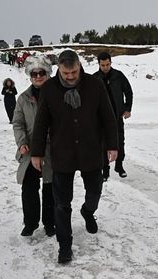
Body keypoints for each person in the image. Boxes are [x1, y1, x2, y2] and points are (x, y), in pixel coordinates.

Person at [31, 49, 118, 264]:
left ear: (79, 66)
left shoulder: (94, 85)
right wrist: (37, 152)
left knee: (95, 192)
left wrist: (113, 146)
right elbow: (41, 123)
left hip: (90, 151)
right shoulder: (49, 89)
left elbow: (108, 117)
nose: (70, 76)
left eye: (74, 72)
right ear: (59, 68)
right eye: (66, 73)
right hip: (62, 154)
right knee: (62, 204)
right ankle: (65, 246)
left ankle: (88, 212)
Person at [12, 56, 55, 237]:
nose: (38, 76)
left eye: (42, 73)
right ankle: (30, 223)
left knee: (51, 189)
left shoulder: (56, 94)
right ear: (30, 76)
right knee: (29, 188)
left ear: (47, 74)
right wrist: (22, 143)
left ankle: (50, 223)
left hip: (51, 151)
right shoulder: (23, 98)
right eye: (34, 73)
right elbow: (18, 123)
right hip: (30, 151)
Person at [92, 52, 133, 180]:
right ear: (98, 64)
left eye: (107, 64)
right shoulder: (94, 78)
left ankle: (119, 166)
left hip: (117, 116)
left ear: (111, 63)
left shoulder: (118, 76)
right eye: (103, 65)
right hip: (101, 119)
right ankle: (105, 171)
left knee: (120, 142)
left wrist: (127, 109)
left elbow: (129, 92)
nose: (105, 67)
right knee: (103, 144)